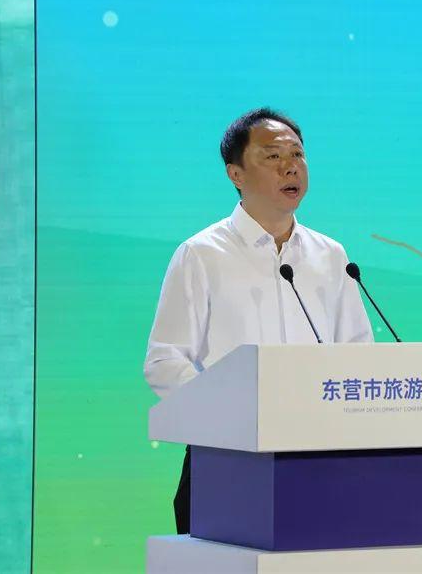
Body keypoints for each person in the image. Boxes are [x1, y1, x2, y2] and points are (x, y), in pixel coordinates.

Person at [143, 107, 374, 534]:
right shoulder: (201, 254)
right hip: (227, 460)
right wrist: (232, 414)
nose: (291, 166)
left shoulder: (331, 256)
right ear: (236, 174)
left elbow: (358, 354)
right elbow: (164, 361)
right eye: (272, 156)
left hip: (319, 458)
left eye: (297, 154)